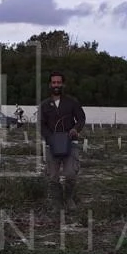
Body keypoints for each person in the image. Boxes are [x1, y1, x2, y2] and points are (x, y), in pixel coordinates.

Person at [38, 71, 86, 210]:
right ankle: (57, 202)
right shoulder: (45, 105)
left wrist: (76, 129)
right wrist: (50, 138)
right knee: (52, 177)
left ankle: (69, 198)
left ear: (63, 84)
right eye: (54, 82)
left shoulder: (72, 102)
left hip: (70, 143)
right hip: (51, 145)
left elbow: (81, 118)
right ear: (50, 84)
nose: (56, 85)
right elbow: (41, 124)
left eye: (59, 82)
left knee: (71, 174)